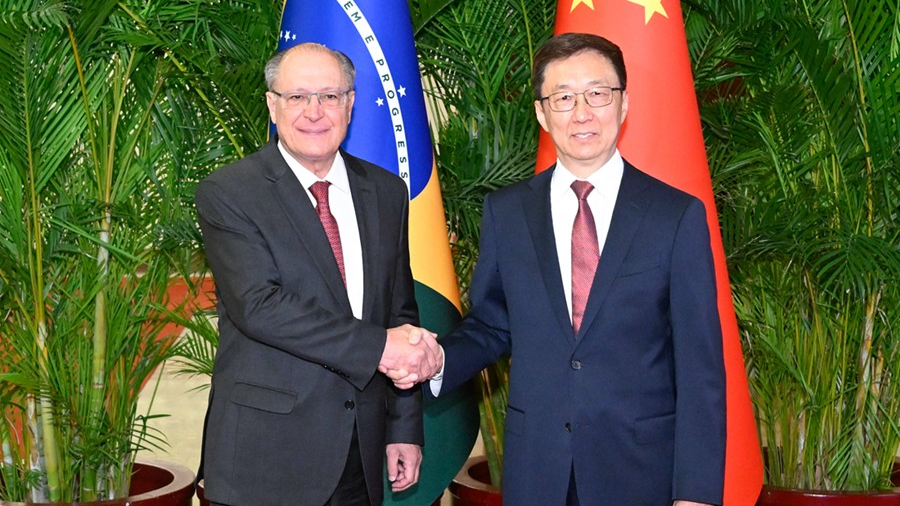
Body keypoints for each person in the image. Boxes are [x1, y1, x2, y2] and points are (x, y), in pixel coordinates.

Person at [400, 33, 727, 506]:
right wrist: (439, 361)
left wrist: (696, 493)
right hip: (539, 471)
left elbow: (700, 369)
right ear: (541, 112)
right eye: (563, 97)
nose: (582, 113)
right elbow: (492, 323)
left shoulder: (675, 216)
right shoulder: (507, 213)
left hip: (642, 473)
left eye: (597, 93)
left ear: (624, 103)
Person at [195, 43, 442, 506]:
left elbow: (399, 312)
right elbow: (259, 306)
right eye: (297, 97)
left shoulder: (386, 192)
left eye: (329, 96)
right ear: (272, 105)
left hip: (359, 455)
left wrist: (404, 428)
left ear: (350, 104)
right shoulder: (230, 192)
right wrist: (379, 347)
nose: (314, 112)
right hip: (265, 458)